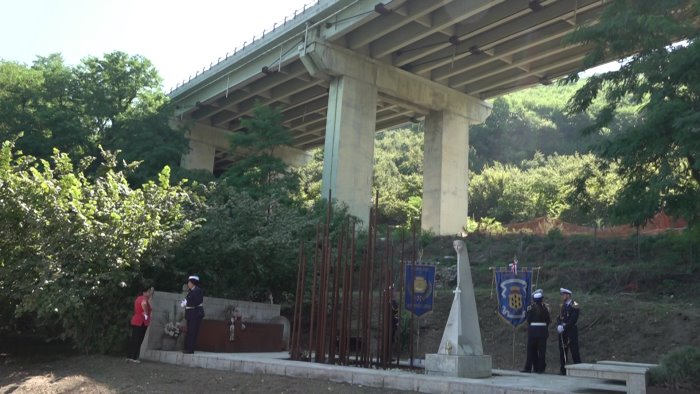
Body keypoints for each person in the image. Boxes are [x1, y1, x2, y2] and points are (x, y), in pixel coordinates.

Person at [520, 289, 551, 373]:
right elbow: (548, 320)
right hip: (543, 331)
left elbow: (529, 320)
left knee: (531, 350)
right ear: (541, 299)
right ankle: (540, 369)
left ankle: (528, 368)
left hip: (533, 331)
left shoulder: (530, 308)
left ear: (534, 300)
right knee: (542, 351)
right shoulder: (546, 308)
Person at [127, 282, 154, 363]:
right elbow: (144, 304)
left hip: (136, 320)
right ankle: (135, 357)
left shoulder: (138, 298)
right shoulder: (144, 299)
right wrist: (146, 312)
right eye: (148, 291)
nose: (149, 293)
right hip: (141, 321)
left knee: (134, 339)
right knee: (138, 339)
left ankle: (130, 356)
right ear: (144, 292)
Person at [557, 287, 582, 375]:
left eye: (563, 295)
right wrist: (559, 325)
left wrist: (565, 327)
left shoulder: (574, 304)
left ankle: (579, 369)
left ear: (568, 295)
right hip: (563, 331)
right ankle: (563, 369)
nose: (562, 296)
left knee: (574, 350)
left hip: (571, 330)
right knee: (563, 350)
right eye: (562, 295)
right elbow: (559, 317)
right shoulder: (562, 305)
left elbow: (573, 319)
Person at [181, 275, 204, 354]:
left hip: (195, 313)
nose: (188, 284)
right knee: (190, 331)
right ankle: (187, 348)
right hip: (191, 313)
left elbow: (197, 301)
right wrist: (185, 302)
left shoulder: (198, 290)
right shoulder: (191, 291)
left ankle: (190, 349)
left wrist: (187, 303)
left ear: (193, 283)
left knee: (193, 331)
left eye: (189, 282)